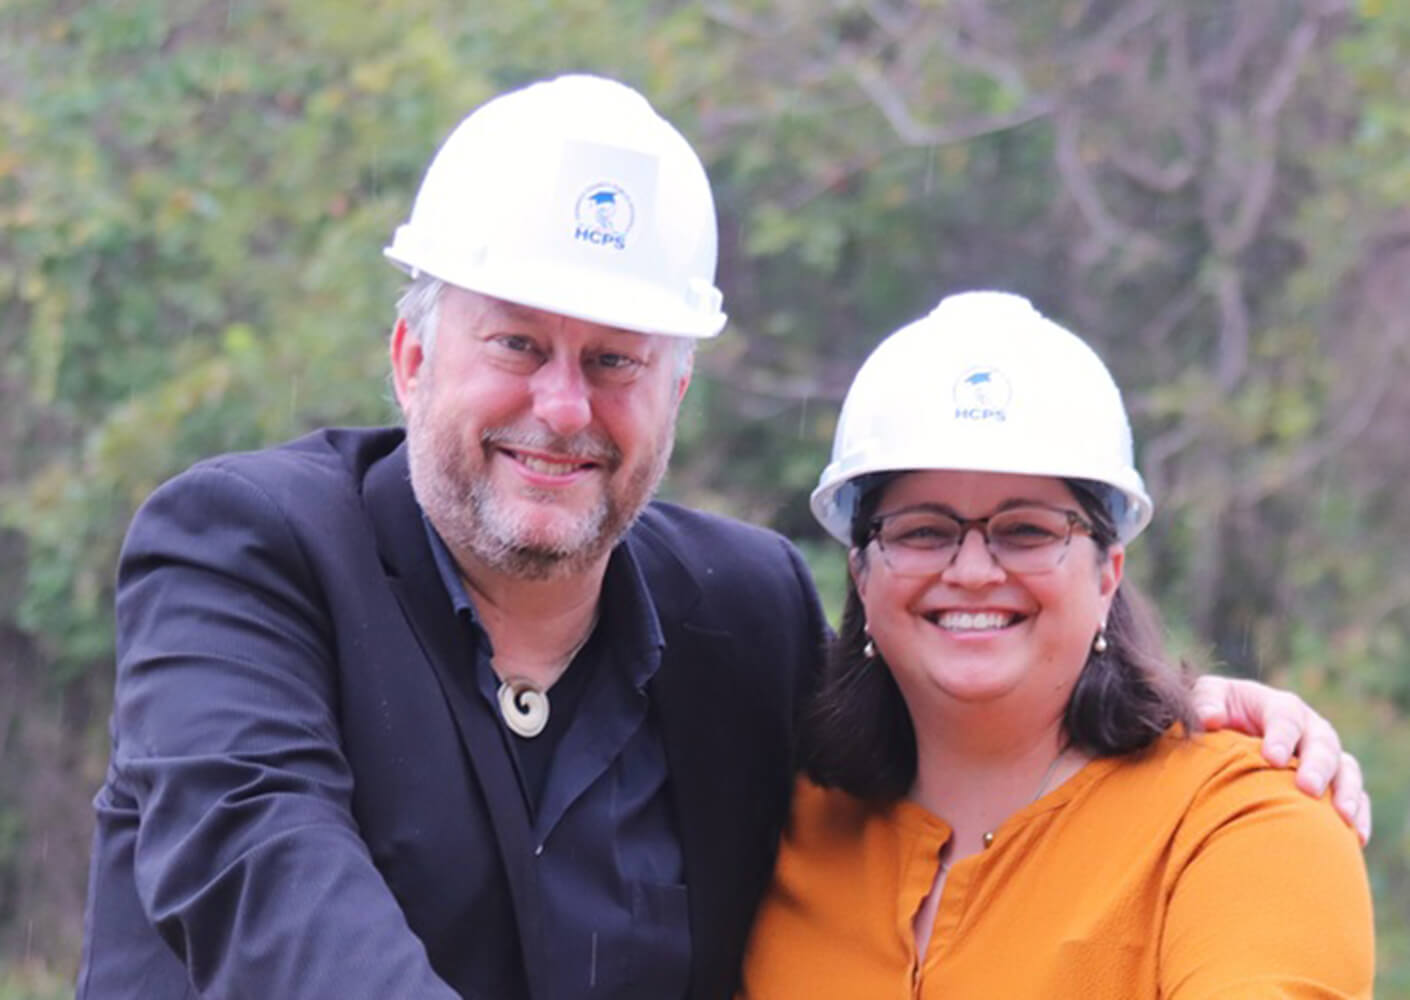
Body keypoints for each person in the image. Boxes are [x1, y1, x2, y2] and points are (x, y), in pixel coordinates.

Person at [75, 75, 1366, 1000]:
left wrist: (1158, 699)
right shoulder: (246, 555)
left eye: (617, 360)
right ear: (411, 354)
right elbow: (264, 880)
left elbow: (966, 697)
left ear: (678, 393)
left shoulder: (736, 616)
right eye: (518, 343)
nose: (562, 407)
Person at [737, 292, 1375, 998]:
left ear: (1109, 571)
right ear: (861, 571)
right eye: (923, 531)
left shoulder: (1243, 818)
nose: (973, 571)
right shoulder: (773, 820)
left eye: (1028, 531)